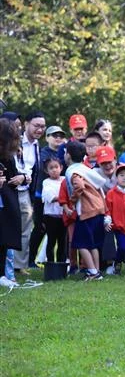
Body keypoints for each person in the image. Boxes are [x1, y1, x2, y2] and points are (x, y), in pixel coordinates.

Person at [64, 140, 108, 281]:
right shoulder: (86, 168)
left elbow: (79, 186)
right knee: (93, 244)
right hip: (99, 209)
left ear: (68, 155)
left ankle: (92, 272)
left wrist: (72, 201)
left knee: (80, 243)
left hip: (87, 211)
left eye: (65, 152)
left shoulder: (74, 171)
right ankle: (96, 271)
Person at [29, 124, 66, 267]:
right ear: (47, 137)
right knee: (40, 228)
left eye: (61, 136)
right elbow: (45, 168)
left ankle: (60, 263)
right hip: (41, 196)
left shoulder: (63, 152)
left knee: (60, 235)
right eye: (54, 135)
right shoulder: (43, 152)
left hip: (61, 202)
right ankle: (31, 259)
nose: (58, 138)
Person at [15, 111, 45, 274]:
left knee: (25, 228)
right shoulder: (15, 140)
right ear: (26, 124)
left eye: (42, 126)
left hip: (26, 191)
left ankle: (20, 265)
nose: (39, 130)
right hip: (10, 188)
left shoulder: (36, 145)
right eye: (36, 126)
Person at [0, 118, 22, 288]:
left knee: (3, 238)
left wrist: (23, 177)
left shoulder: (8, 157)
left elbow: (12, 174)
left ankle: (1, 275)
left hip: (4, 203)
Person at [41, 157, 66, 262]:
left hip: (63, 215)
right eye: (51, 168)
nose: (54, 170)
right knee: (51, 241)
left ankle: (61, 263)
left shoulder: (65, 179)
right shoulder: (46, 182)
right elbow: (51, 198)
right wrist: (65, 199)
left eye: (56, 167)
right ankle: (50, 263)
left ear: (61, 168)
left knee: (62, 241)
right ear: (47, 170)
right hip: (51, 216)